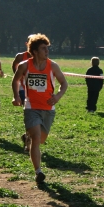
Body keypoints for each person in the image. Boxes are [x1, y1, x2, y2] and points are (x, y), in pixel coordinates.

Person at [12, 33, 68, 185]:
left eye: (47, 48)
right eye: (43, 49)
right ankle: (38, 172)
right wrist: (16, 96)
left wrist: (57, 96)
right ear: (35, 51)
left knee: (40, 139)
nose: (47, 51)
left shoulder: (53, 66)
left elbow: (64, 84)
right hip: (31, 107)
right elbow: (15, 80)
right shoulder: (25, 65)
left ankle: (27, 137)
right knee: (36, 139)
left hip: (49, 108)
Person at [12, 35, 33, 151]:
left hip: (33, 89)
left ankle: (27, 136)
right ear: (27, 44)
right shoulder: (20, 56)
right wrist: (18, 74)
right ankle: (28, 142)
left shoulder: (41, 57)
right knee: (29, 115)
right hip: (22, 88)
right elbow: (14, 64)